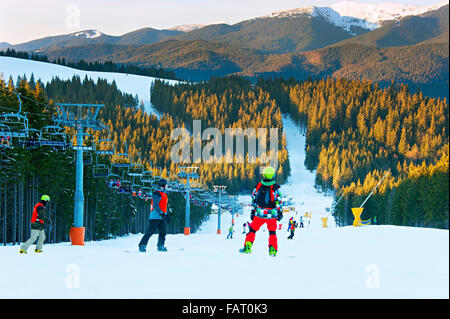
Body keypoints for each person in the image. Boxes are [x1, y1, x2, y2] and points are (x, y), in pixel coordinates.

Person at [239, 166, 282, 257]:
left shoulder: (258, 186)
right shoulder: (275, 188)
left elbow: (254, 200)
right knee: (272, 233)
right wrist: (279, 212)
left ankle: (247, 246)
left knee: (252, 230)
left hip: (259, 214)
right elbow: (278, 201)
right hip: (272, 215)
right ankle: (272, 250)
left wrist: (253, 212)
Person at [138, 179, 170, 252]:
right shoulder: (157, 194)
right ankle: (142, 245)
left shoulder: (164, 194)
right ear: (163, 185)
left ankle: (160, 246)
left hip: (162, 216)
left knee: (163, 232)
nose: (167, 186)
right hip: (155, 216)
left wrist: (166, 215)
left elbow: (164, 206)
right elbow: (155, 205)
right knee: (150, 232)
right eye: (166, 184)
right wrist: (161, 213)